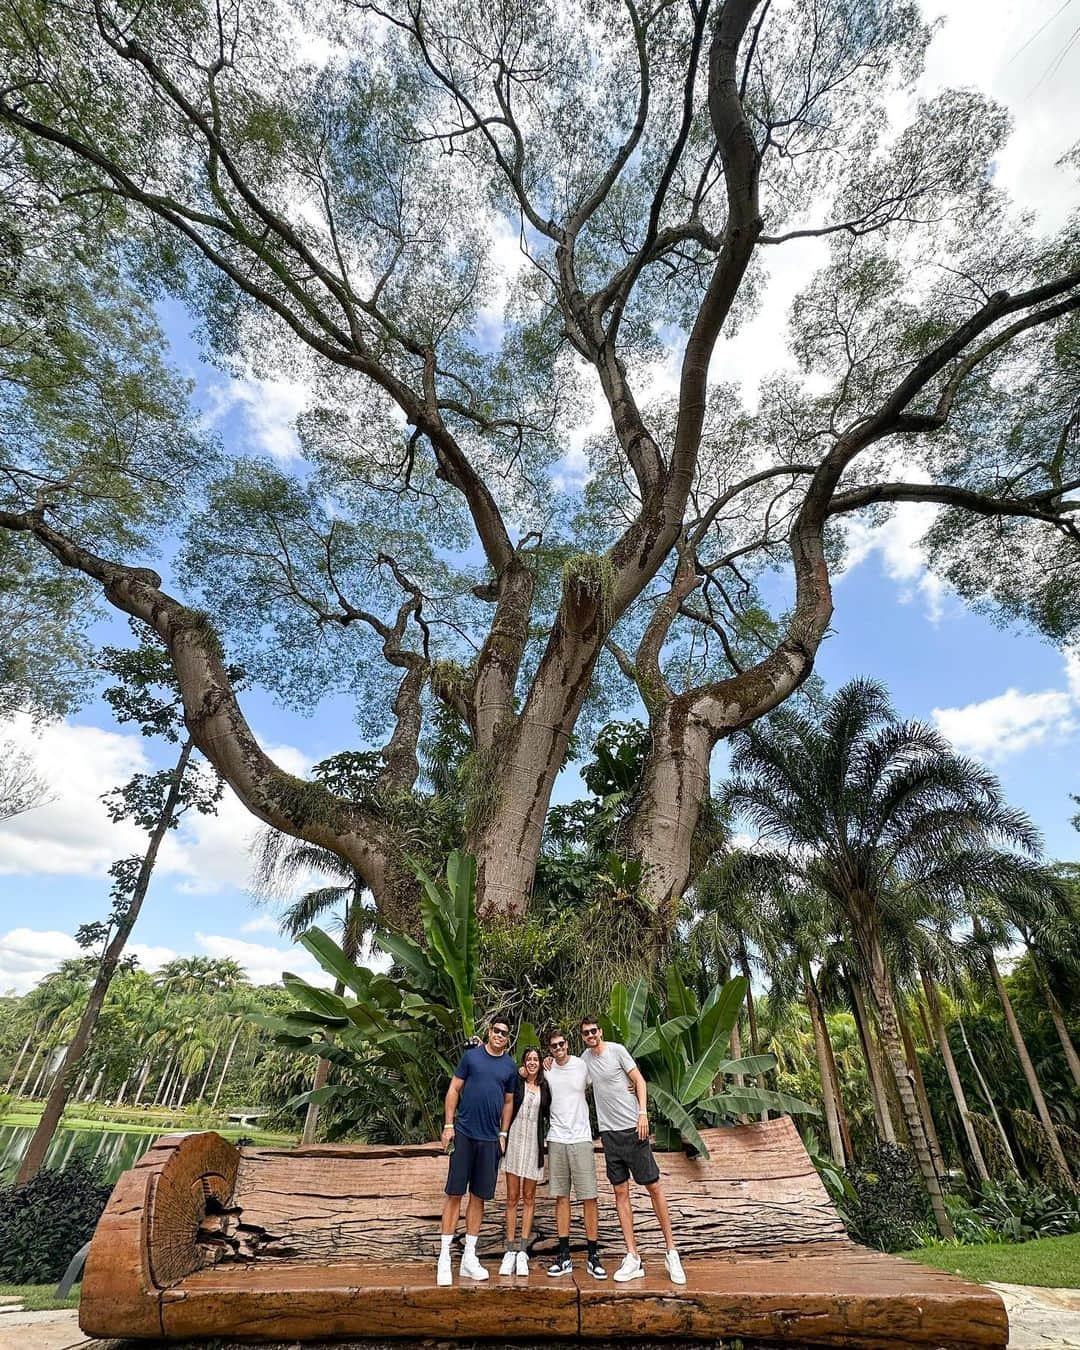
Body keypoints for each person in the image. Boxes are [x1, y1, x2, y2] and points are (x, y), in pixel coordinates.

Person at [580, 1014, 685, 1285]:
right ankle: (633, 1256)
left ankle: (671, 1251)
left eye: (594, 1031)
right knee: (620, 1192)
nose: (591, 1036)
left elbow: (639, 1081)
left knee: (654, 1186)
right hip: (609, 1135)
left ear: (600, 1031)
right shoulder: (585, 1060)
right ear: (583, 1037)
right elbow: (570, 1073)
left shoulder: (618, 1051)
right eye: (586, 1033)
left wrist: (642, 1113)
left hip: (633, 1128)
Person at [438, 1015, 517, 1286]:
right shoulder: (471, 1057)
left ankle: (469, 1258)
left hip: (489, 1139)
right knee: (454, 1193)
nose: (499, 1035)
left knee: (479, 1197)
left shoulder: (509, 1066)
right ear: (489, 1031)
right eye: (496, 1030)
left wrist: (503, 1133)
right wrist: (449, 1124)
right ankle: (445, 1257)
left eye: (505, 1033)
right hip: (465, 1134)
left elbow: (509, 1102)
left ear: (508, 1038)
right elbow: (454, 1089)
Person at [544, 1027, 606, 1280]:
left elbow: (605, 1077)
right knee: (561, 1197)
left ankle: (592, 1255)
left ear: (568, 1044)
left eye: (562, 1044)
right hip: (557, 1138)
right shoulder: (547, 1069)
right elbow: (525, 1074)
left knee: (589, 1197)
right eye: (554, 1046)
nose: (559, 1049)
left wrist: (632, 1089)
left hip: (581, 1138)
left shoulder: (582, 1065)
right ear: (549, 1050)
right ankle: (564, 1255)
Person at [498, 1045, 550, 1276]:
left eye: (535, 1059)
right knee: (512, 1198)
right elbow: (504, 1081)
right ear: (524, 1062)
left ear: (539, 1064)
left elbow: (550, 1111)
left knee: (529, 1198)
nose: (532, 1062)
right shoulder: (516, 1082)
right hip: (515, 1142)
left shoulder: (545, 1087)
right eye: (528, 1059)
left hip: (533, 1146)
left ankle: (522, 1251)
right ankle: (509, 1250)